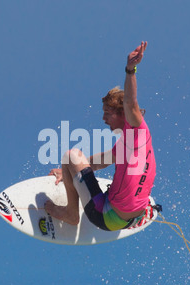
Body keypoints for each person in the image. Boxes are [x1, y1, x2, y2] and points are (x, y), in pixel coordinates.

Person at [44, 41, 156, 231]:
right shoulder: (133, 141)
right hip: (132, 216)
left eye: (108, 113)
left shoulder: (136, 128)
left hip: (106, 216)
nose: (103, 118)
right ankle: (141, 212)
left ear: (123, 114)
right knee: (75, 161)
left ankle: (71, 213)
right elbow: (100, 161)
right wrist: (69, 172)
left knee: (71, 155)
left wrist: (130, 69)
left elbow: (130, 102)